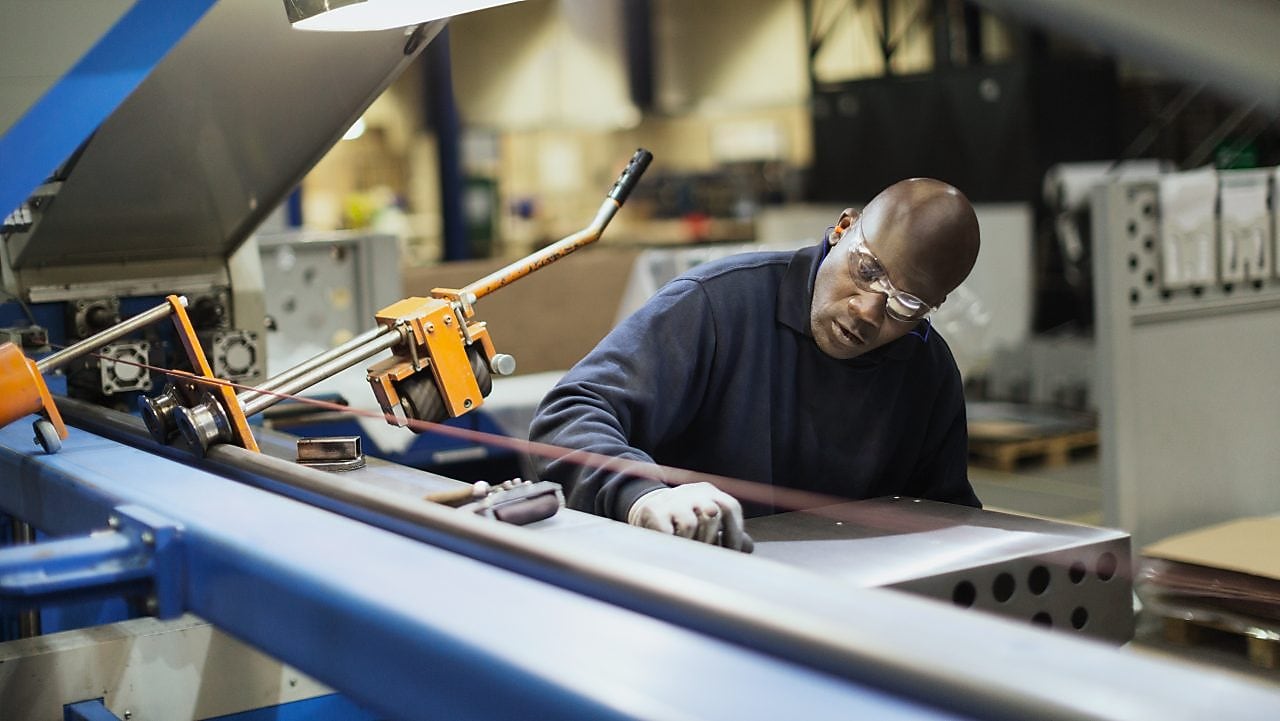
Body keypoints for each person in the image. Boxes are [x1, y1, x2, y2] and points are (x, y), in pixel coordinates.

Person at [529, 177, 981, 551]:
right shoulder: (715, 305)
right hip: (693, 593)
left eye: (904, 305)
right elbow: (570, 413)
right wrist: (641, 494)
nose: (867, 310)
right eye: (866, 271)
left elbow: (947, 517)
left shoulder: (927, 371)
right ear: (843, 229)